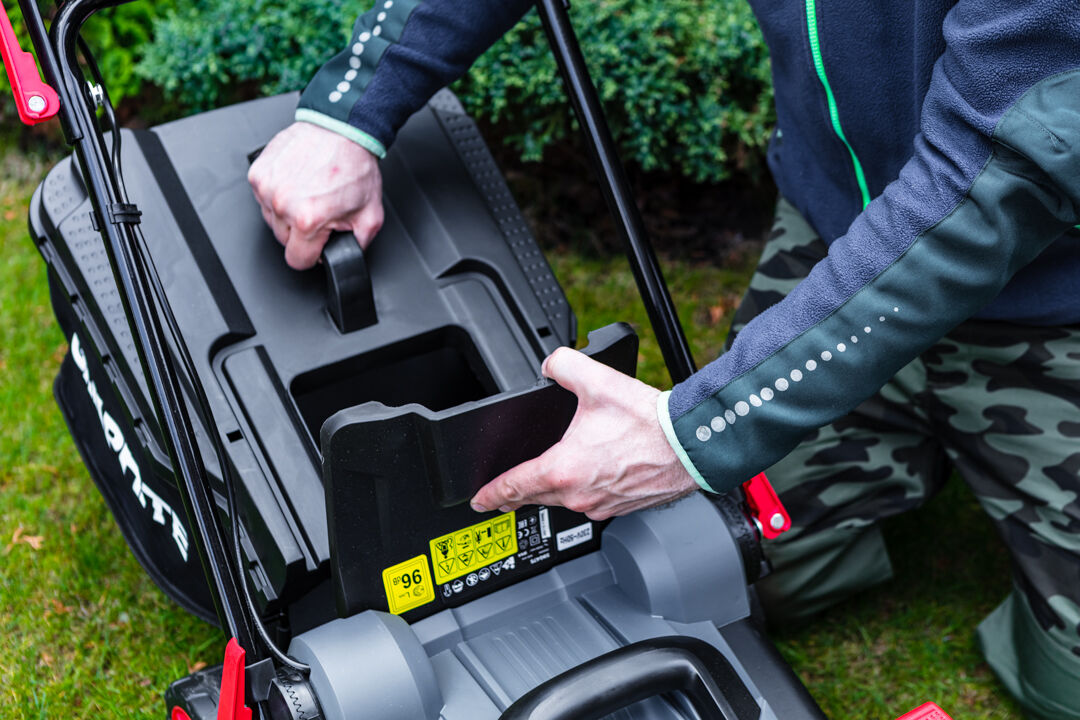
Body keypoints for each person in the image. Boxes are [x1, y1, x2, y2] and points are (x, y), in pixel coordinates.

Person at [247, 2, 1080, 717]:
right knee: (734, 569)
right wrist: (354, 107)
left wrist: (702, 431)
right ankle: (906, 450)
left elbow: (1001, 164)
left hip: (1055, 291)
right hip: (846, 242)